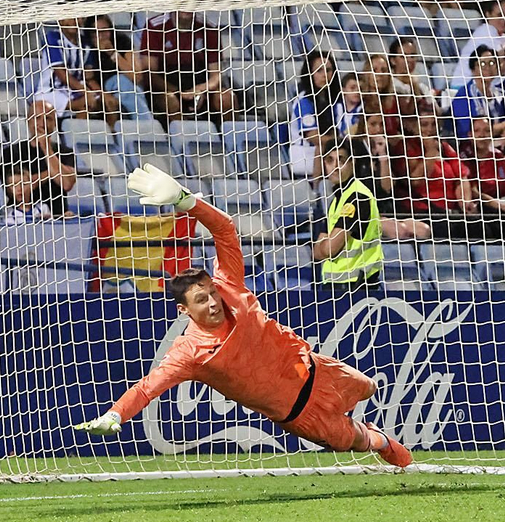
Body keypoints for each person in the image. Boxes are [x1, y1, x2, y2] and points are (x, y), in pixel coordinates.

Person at [73, 166, 413, 467]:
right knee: (353, 441)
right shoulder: (189, 353)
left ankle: (372, 429)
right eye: (201, 300)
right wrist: (116, 413)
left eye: (212, 293)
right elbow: (148, 387)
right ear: (184, 310)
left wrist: (184, 199)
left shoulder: (229, 283)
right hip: (298, 413)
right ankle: (382, 442)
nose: (212, 302)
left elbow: (224, 228)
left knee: (368, 387)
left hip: (317, 369)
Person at [312, 137, 429, 287]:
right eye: (329, 160)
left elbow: (329, 249)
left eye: (341, 160)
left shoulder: (357, 197)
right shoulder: (337, 200)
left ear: (352, 163)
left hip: (357, 286)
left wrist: (325, 245)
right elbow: (316, 253)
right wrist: (324, 247)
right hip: (337, 284)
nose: (335, 167)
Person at [136, 7, 235, 125]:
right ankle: (183, 140)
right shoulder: (154, 26)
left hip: (199, 86)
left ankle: (230, 140)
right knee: (170, 101)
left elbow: (216, 75)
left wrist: (200, 90)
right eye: (183, 2)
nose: (187, 6)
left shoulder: (209, 28)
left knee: (227, 98)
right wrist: (178, 92)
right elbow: (149, 74)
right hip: (166, 87)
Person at [36, 15, 121, 124]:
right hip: (51, 92)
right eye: (70, 17)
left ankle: (113, 136)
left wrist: (103, 94)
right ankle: (79, 136)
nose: (75, 21)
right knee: (86, 103)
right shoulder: (52, 38)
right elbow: (62, 75)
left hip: (75, 91)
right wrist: (86, 93)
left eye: (79, 18)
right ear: (61, 20)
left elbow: (89, 78)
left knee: (108, 102)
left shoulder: (85, 43)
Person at [1, 101, 79, 219]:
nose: (42, 123)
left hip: (56, 218)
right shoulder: (12, 152)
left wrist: (46, 148)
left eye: (48, 118)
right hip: (20, 219)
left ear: (55, 124)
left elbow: (67, 184)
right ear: (28, 121)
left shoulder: (65, 152)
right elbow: (11, 189)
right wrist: (51, 174)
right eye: (37, 118)